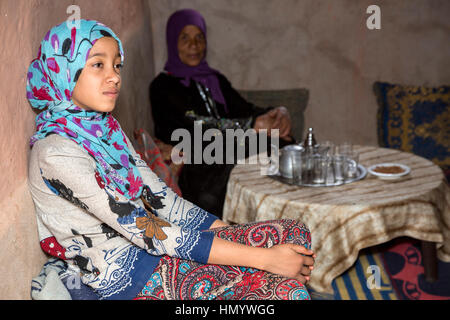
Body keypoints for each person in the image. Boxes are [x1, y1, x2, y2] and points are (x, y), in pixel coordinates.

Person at [27, 19, 314, 300]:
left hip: (154, 249)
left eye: (117, 65)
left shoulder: (106, 130)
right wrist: (263, 260)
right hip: (126, 275)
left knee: (292, 234)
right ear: (64, 70)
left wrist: (231, 235)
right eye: (98, 64)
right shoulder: (56, 153)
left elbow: (165, 199)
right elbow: (149, 231)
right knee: (285, 289)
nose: (115, 76)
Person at [150, 9, 293, 218]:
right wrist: (250, 125)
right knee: (237, 159)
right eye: (185, 38)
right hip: (197, 162)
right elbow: (195, 123)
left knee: (283, 143)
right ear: (172, 42)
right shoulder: (162, 86)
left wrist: (278, 114)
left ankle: (281, 216)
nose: (194, 45)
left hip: (228, 148)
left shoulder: (214, 80)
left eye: (200, 38)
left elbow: (246, 108)